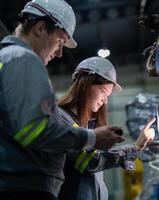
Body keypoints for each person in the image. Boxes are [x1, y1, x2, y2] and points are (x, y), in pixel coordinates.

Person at [0, 0, 124, 199]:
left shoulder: (7, 58)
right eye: (60, 41)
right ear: (41, 28)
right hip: (24, 189)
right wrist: (93, 138)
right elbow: (35, 130)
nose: (59, 53)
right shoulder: (22, 58)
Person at [57, 56, 156, 200]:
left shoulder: (88, 124)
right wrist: (134, 147)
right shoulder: (61, 118)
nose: (105, 100)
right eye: (103, 91)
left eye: (108, 95)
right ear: (86, 84)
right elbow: (89, 161)